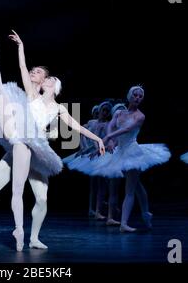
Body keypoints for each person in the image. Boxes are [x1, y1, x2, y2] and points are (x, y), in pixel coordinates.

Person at [0, 30, 105, 251]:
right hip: (20, 143)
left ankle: (34, 238)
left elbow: (76, 126)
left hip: (38, 153)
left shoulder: (58, 108)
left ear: (54, 86)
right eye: (42, 75)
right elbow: (22, 68)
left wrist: (98, 138)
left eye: (47, 77)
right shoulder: (31, 94)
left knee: (42, 199)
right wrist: (21, 46)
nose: (42, 77)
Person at [67, 86, 171, 232]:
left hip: (132, 152)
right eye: (135, 95)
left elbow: (127, 130)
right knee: (137, 186)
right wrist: (108, 141)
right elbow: (111, 126)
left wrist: (109, 137)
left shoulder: (140, 116)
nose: (137, 98)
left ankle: (123, 223)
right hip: (120, 150)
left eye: (140, 96)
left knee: (130, 189)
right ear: (129, 96)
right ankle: (146, 213)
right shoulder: (119, 113)